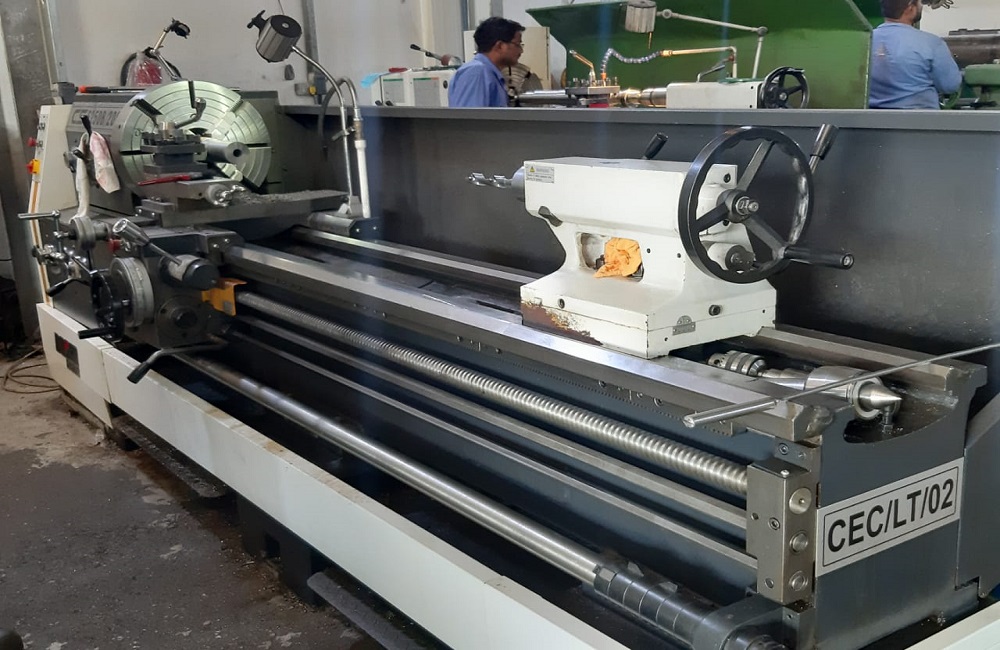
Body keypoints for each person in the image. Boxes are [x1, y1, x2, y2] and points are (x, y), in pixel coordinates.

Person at [869, 0, 962, 109]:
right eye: (919, 3)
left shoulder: (866, 40)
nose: (921, 6)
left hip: (870, 116)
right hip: (920, 117)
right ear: (910, 8)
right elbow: (950, 86)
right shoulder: (932, 43)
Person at [449, 17, 525, 108]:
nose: (521, 50)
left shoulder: (490, 75)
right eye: (517, 44)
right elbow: (470, 116)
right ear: (500, 46)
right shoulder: (477, 73)